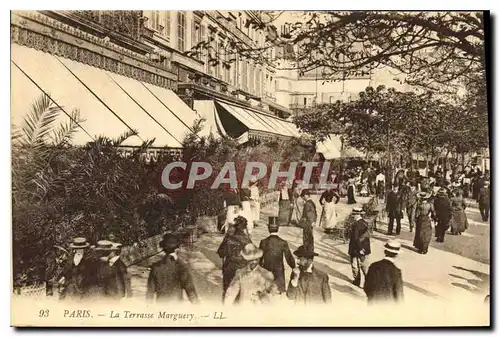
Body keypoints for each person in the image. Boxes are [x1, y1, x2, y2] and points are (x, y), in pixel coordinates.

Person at [146, 233, 199, 303]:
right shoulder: (182, 267)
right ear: (177, 248)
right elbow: (191, 291)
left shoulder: (156, 267)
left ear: (164, 249)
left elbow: (150, 292)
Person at [217, 216, 252, 297]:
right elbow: (253, 255)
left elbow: (220, 252)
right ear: (244, 228)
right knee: (241, 295)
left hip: (229, 267)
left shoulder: (229, 238)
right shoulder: (247, 240)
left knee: (227, 293)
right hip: (242, 269)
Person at [259, 218, 296, 293]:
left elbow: (259, 258)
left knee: (267, 292)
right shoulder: (283, 242)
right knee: (278, 292)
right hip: (279, 272)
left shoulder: (263, 242)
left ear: (268, 229)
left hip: (267, 270)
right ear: (278, 229)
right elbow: (289, 258)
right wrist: (293, 266)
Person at [364, 239, 404, 304]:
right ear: (396, 255)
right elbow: (399, 296)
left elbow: (366, 287)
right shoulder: (396, 271)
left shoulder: (373, 266)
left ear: (385, 252)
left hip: (372, 304)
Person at [348, 209, 371, 287]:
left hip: (356, 249)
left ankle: (357, 281)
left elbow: (355, 238)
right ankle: (369, 282)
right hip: (365, 248)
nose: (353, 216)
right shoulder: (365, 223)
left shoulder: (356, 225)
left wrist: (360, 248)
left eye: (353, 214)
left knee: (355, 266)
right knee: (365, 266)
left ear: (357, 215)